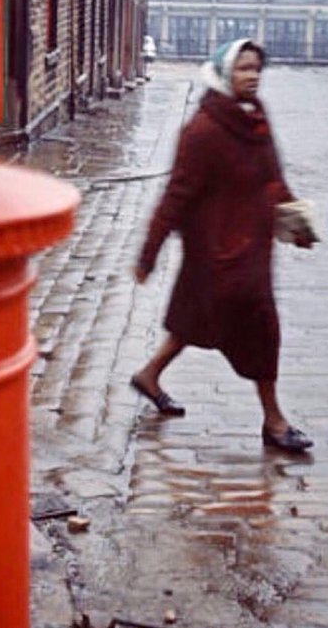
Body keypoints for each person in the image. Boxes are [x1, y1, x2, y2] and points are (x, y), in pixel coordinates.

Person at [131, 38, 317, 453]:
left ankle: (148, 376)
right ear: (224, 73)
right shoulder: (203, 131)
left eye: (256, 69)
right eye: (243, 69)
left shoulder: (256, 119)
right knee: (262, 331)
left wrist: (296, 222)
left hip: (252, 249)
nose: (252, 77)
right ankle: (274, 420)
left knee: (194, 323)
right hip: (217, 255)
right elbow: (175, 195)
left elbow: (272, 177)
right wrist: (149, 253)